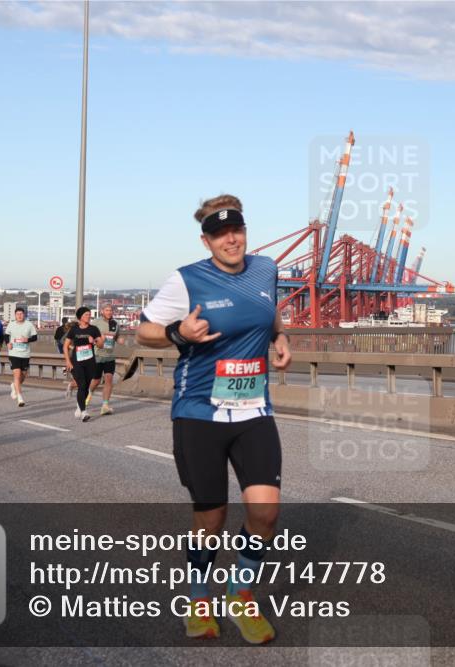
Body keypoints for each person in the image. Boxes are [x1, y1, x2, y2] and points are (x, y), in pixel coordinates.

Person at [137, 195, 291, 644]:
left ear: (245, 232)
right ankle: (199, 598)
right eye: (220, 234)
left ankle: (239, 594)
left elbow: (269, 309)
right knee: (212, 518)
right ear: (206, 241)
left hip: (253, 411)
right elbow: (143, 330)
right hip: (199, 413)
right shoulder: (186, 280)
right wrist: (177, 332)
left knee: (265, 512)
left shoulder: (266, 269)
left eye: (236, 231)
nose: (231, 240)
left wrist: (280, 336)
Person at [63, 306, 100, 422]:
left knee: (86, 387)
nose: (88, 316)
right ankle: (84, 412)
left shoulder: (94, 329)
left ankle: (79, 407)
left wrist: (94, 341)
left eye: (89, 314)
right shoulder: (74, 330)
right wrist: (68, 361)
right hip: (77, 362)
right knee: (82, 385)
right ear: (80, 317)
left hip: (90, 362)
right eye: (86, 315)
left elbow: (101, 344)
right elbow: (65, 346)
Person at [89, 303, 120, 416]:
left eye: (110, 310)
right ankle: (88, 394)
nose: (109, 312)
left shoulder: (115, 323)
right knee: (96, 381)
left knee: (109, 379)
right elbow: (90, 337)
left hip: (110, 356)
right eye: (107, 310)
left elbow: (116, 337)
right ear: (102, 311)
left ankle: (105, 406)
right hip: (97, 355)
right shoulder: (95, 322)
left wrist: (120, 340)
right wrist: (97, 340)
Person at [5, 306, 38, 407]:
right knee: (17, 374)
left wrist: (27, 340)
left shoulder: (29, 325)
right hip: (14, 353)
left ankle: (14, 386)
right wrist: (7, 343)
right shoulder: (11, 324)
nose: (19, 316)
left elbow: (35, 337)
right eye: (17, 314)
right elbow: (6, 335)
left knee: (23, 376)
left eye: (21, 314)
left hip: (25, 354)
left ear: (24, 315)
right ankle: (20, 397)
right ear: (15, 315)